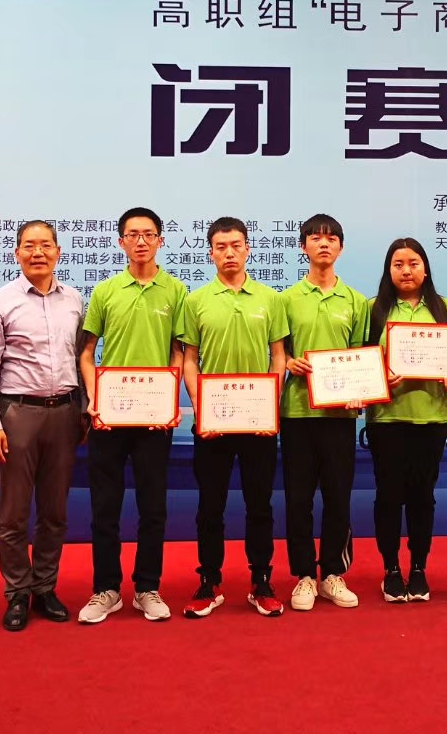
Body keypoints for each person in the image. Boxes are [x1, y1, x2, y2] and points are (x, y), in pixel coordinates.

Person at [76, 208, 186, 625]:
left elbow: (178, 353)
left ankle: (146, 588)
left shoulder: (176, 291)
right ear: (121, 241)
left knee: (152, 507)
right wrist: (94, 397)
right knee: (105, 507)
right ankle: (106, 589)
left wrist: (169, 401)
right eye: (133, 235)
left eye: (149, 234)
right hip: (109, 417)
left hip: (154, 420)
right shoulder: (106, 291)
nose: (141, 241)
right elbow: (87, 353)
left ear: (160, 240)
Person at [0, 219, 84, 631]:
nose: (38, 252)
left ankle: (45, 587)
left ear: (58, 252)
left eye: (45, 245)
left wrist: (84, 411)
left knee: (55, 512)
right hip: (18, 414)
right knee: (14, 514)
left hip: (65, 414)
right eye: (29, 245)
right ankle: (17, 592)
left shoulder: (74, 300)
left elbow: (81, 360)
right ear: (17, 253)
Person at [180, 217, 289, 618]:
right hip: (214, 421)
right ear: (211, 253)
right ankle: (209, 581)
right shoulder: (195, 301)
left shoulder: (271, 299)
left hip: (259, 421)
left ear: (247, 249)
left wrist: (270, 404)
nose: (229, 253)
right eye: (221, 246)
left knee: (260, 505)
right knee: (210, 506)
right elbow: (190, 360)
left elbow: (279, 357)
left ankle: (261, 581)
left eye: (236, 245)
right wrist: (201, 407)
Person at [279, 214, 370, 612]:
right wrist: (289, 362)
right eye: (315, 238)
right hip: (297, 412)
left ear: (341, 248)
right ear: (303, 246)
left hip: (339, 418)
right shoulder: (285, 299)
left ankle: (333, 573)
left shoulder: (355, 301)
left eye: (331, 238)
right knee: (298, 498)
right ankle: (303, 576)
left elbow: (362, 356)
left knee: (338, 496)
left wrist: (359, 392)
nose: (323, 244)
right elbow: (277, 353)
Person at [365, 238, 447, 603]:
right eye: (398, 264)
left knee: (423, 497)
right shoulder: (373, 309)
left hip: (431, 419)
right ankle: (391, 569)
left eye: (413, 263)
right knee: (388, 496)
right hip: (386, 420)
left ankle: (419, 568)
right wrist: (378, 377)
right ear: (388, 270)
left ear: (425, 268)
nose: (406, 271)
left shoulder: (444, 308)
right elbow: (359, 361)